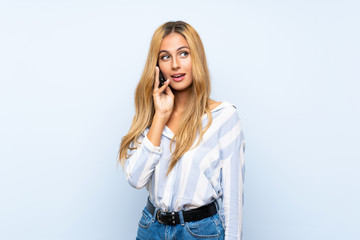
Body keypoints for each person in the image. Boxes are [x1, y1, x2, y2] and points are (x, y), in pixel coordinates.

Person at [118, 21, 246, 240]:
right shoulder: (150, 116)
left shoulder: (223, 117)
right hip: (151, 229)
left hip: (199, 232)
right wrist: (160, 117)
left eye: (183, 54)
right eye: (165, 57)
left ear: (196, 57)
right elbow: (136, 179)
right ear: (157, 65)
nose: (175, 64)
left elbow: (233, 199)